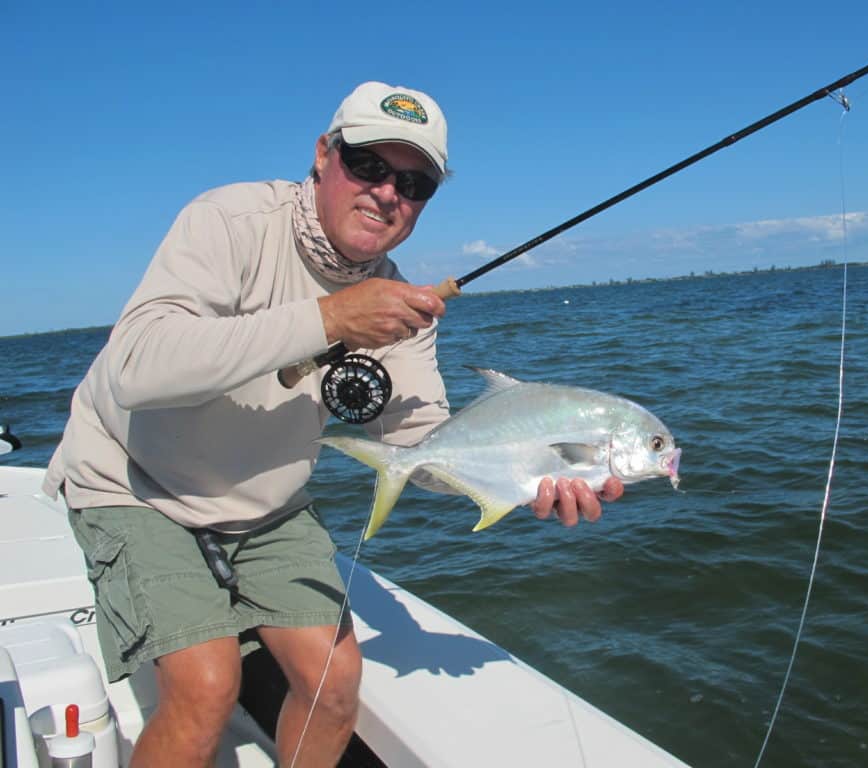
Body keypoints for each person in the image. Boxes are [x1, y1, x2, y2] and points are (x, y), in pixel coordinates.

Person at [42, 80, 623, 767]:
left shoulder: (401, 310)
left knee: (336, 683)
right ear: (323, 156)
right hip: (137, 481)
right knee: (205, 687)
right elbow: (135, 368)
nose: (387, 193)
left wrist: (525, 478)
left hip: (266, 502)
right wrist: (329, 319)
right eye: (370, 166)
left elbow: (418, 443)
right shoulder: (228, 223)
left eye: (414, 183)